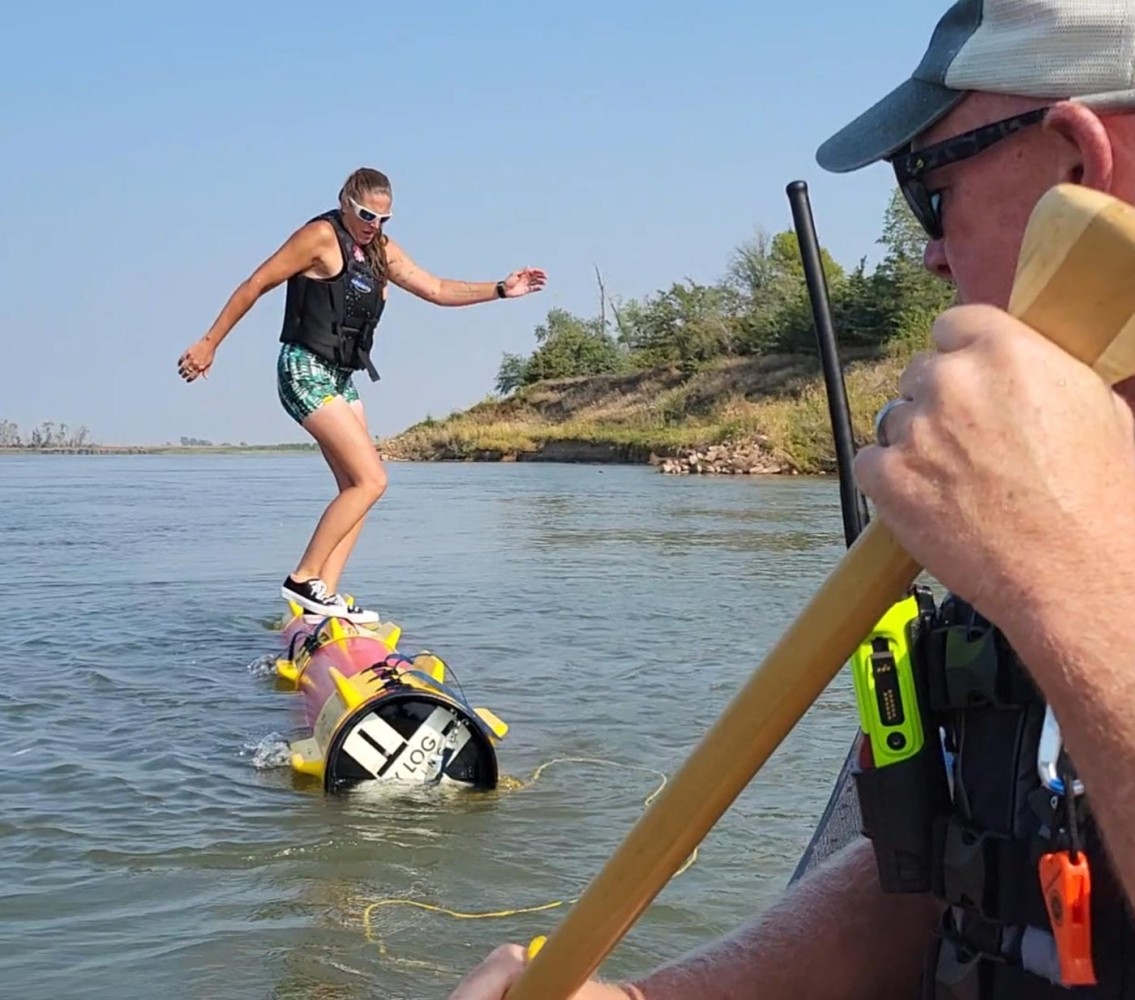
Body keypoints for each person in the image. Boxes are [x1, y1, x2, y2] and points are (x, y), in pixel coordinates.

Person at [447, 0, 1135, 996]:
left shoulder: (1057, 547)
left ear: (1076, 168)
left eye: (929, 192)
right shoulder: (1036, 504)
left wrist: (1065, 573)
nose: (930, 255)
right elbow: (949, 874)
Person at [177, 167, 547, 621]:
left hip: (340, 377)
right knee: (373, 480)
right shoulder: (318, 237)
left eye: (384, 219)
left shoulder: (380, 250)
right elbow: (257, 283)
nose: (375, 225)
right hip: (304, 369)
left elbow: (434, 287)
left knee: (359, 487)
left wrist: (501, 291)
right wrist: (210, 342)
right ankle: (302, 580)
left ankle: (322, 601)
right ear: (346, 202)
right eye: (367, 215)